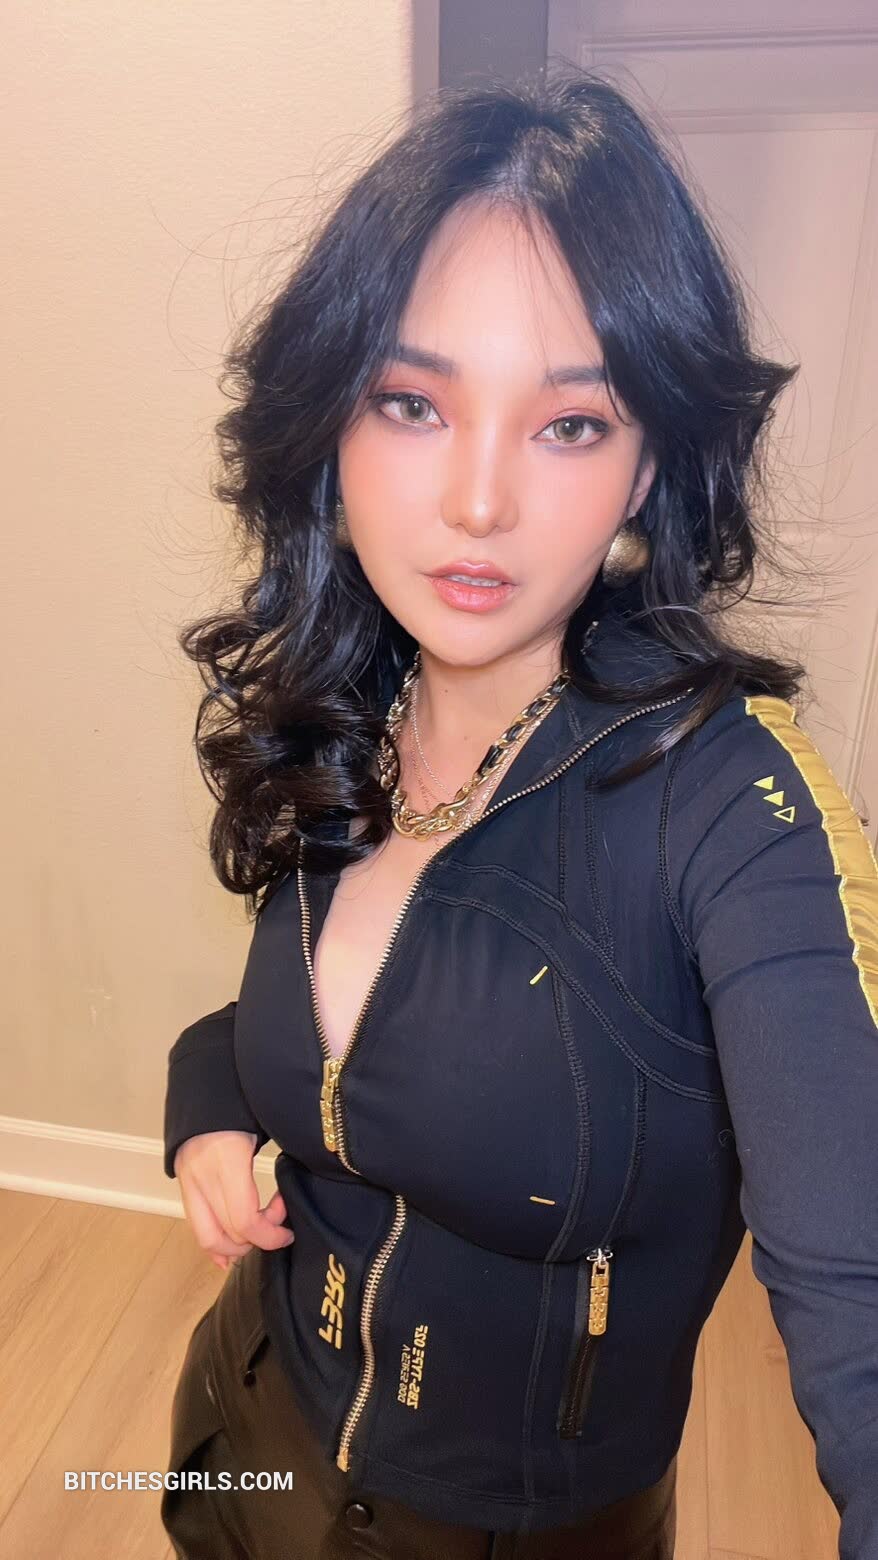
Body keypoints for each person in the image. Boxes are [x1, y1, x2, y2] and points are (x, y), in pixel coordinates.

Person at [159, 67, 878, 1560]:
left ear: (648, 463)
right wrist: (207, 1106)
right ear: (331, 428)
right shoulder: (341, 713)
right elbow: (321, 1044)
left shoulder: (732, 811)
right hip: (242, 1438)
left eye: (569, 424)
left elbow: (856, 1283)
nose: (478, 500)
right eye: (413, 403)